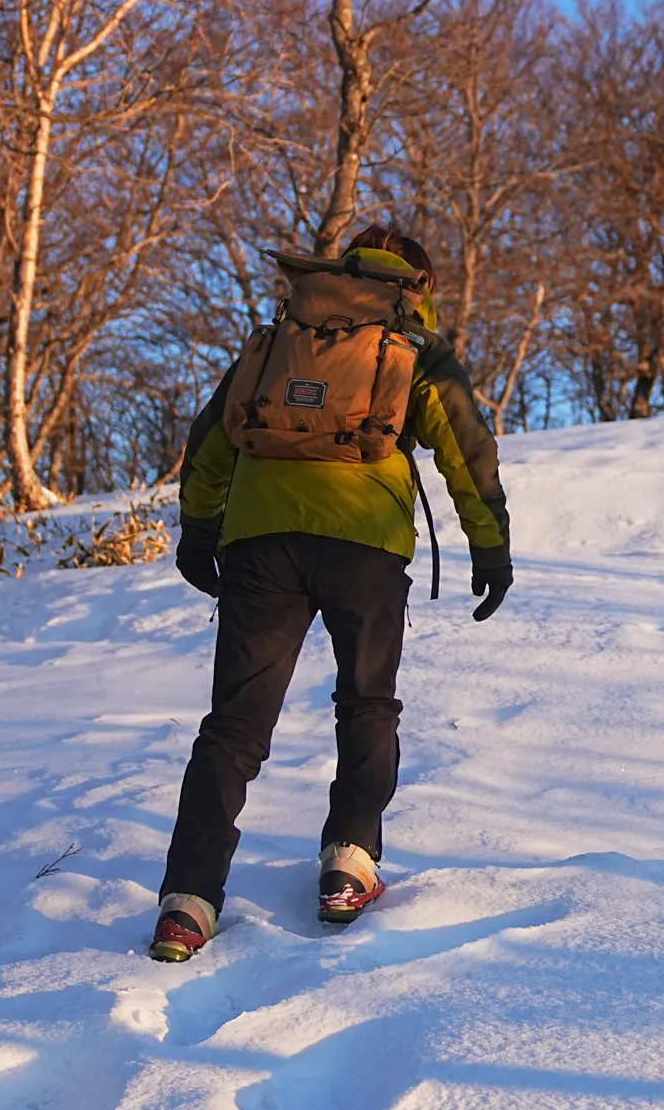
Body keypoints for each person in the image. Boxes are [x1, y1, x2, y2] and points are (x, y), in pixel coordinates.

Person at [149, 227, 512, 960]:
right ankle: (349, 864)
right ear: (420, 284)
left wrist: (200, 530)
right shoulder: (413, 346)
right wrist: (490, 544)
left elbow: (213, 437)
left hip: (259, 543)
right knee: (367, 701)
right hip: (364, 544)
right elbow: (465, 448)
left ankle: (186, 905)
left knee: (234, 726)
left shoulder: (285, 334)